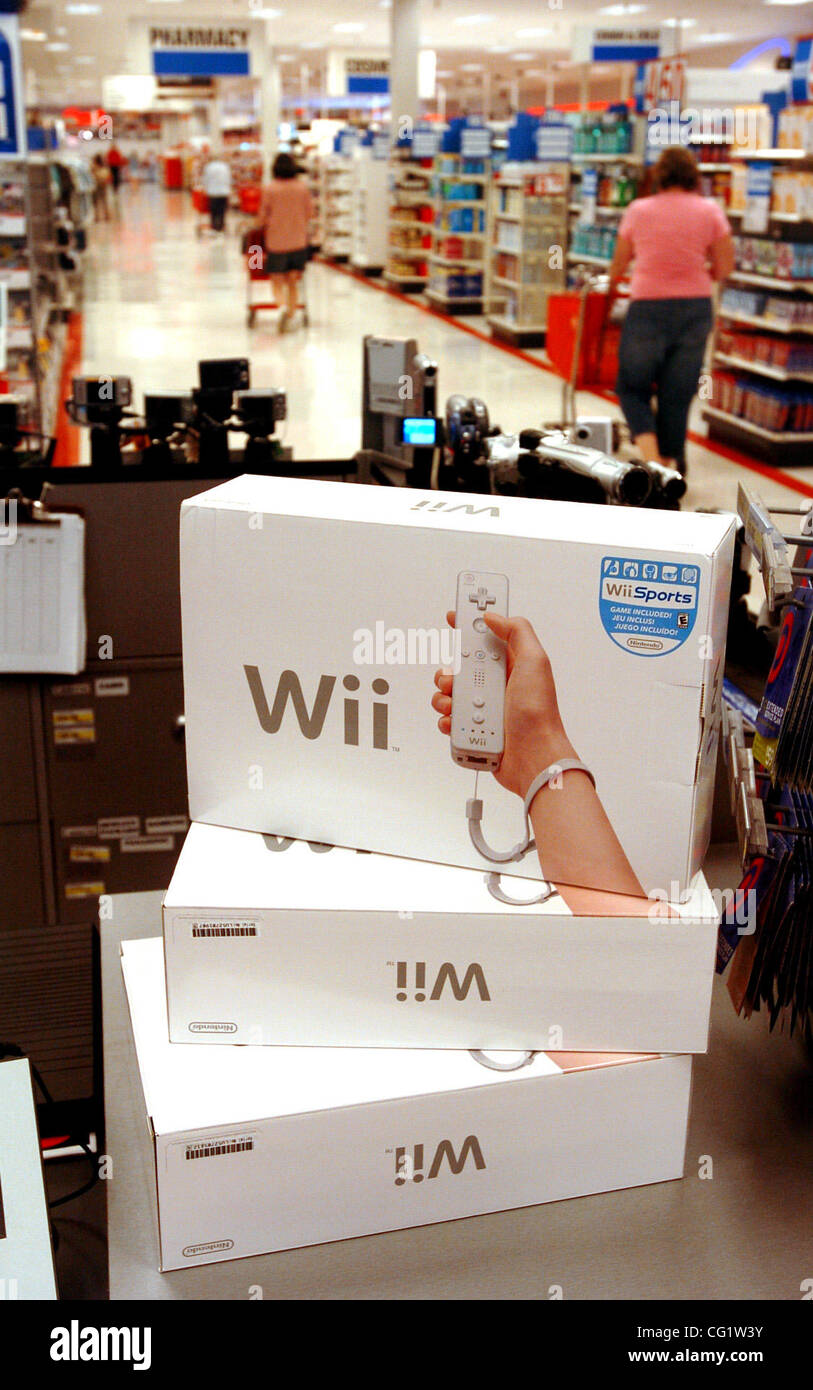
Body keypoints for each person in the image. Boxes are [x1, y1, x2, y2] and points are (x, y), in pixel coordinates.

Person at [431, 610, 669, 919]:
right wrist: (536, 749)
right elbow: (634, 931)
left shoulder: (649, 947)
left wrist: (538, 746)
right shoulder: (650, 946)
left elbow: (636, 935)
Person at [607, 145, 735, 477]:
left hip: (647, 307)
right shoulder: (710, 211)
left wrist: (611, 288)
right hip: (695, 308)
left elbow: (620, 261)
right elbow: (726, 266)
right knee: (677, 391)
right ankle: (674, 463)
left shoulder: (638, 209)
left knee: (631, 385)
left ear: (659, 176)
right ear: (694, 176)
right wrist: (698, 274)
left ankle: (652, 460)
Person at [258, 152, 312, 331]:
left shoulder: (270, 188)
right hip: (298, 242)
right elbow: (310, 213)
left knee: (276, 280)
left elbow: (262, 217)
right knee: (293, 281)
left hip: (277, 242)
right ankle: (291, 315)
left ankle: (281, 307)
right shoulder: (302, 188)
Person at [202, 152, 232, 233]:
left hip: (213, 192)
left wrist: (205, 189)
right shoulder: (225, 166)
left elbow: (206, 179)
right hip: (224, 192)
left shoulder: (208, 167)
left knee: (214, 210)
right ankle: (221, 226)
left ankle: (214, 226)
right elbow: (229, 179)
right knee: (222, 210)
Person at [91, 153, 111, 222]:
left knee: (96, 202)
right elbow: (107, 175)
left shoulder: (94, 168)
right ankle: (106, 216)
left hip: (97, 185)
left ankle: (97, 216)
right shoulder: (104, 167)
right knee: (104, 201)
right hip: (103, 185)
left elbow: (92, 176)